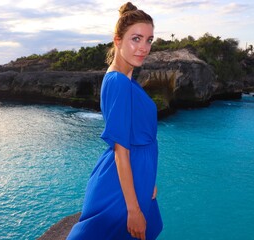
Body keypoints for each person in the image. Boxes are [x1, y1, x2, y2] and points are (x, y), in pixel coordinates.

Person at [67, 2, 163, 240]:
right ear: (118, 40)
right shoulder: (119, 82)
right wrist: (133, 209)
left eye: (149, 40)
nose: (143, 48)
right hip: (121, 185)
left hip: (138, 174)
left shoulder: (126, 80)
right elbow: (121, 150)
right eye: (136, 39)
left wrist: (148, 178)